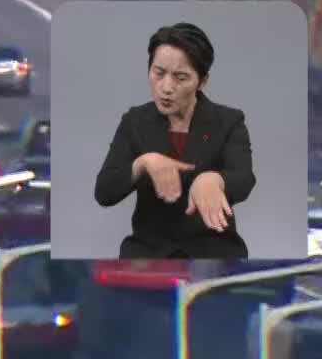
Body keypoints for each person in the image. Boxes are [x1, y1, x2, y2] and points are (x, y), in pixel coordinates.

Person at [92, 22, 255, 257]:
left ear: (202, 81)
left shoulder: (228, 121)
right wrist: (142, 164)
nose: (166, 87)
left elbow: (243, 178)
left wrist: (215, 179)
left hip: (213, 254)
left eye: (180, 78)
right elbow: (104, 192)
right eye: (159, 74)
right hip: (149, 255)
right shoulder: (135, 121)